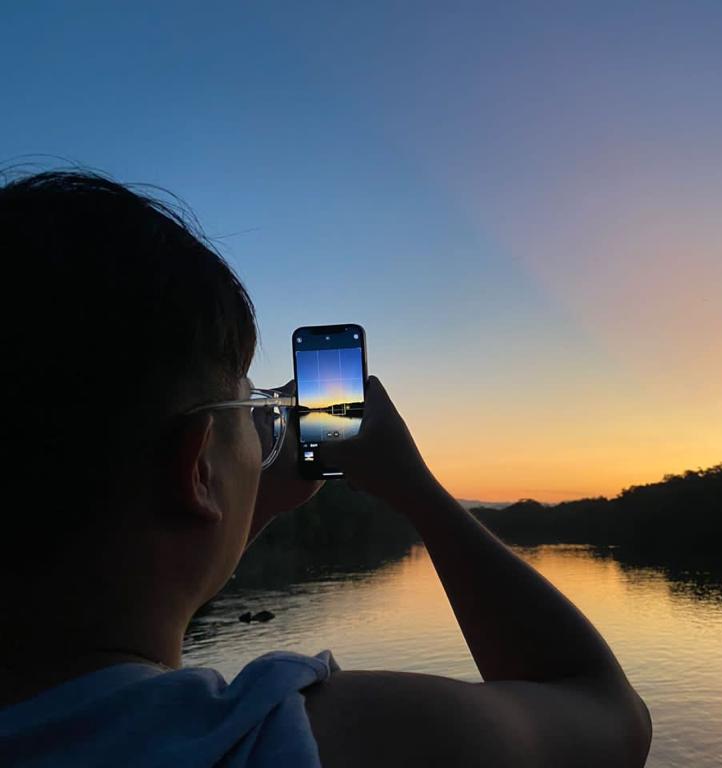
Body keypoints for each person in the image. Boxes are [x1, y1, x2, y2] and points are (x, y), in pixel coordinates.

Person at [0, 170, 652, 767]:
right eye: (252, 411)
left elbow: (130, 614)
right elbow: (606, 712)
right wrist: (415, 490)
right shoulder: (289, 742)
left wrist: (257, 501)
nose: (264, 433)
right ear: (197, 467)